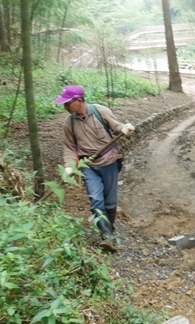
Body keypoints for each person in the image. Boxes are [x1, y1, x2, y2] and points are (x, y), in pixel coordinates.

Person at [54, 85, 135, 252]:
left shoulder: (100, 111)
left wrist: (124, 128)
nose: (65, 107)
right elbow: (69, 147)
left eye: (67, 103)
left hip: (109, 161)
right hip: (87, 165)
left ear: (78, 100)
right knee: (96, 199)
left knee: (110, 200)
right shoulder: (69, 123)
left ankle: (109, 229)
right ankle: (107, 236)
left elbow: (116, 126)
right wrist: (69, 166)